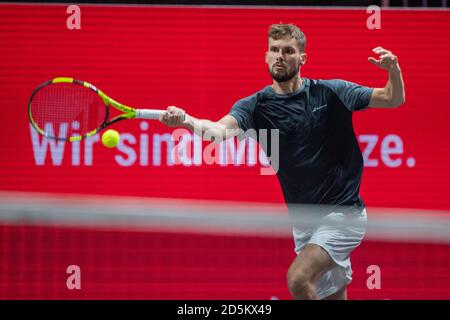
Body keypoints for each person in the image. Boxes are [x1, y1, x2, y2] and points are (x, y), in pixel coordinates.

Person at [159, 23, 405, 300]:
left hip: (343, 214)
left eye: (288, 51)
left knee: (298, 280)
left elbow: (392, 99)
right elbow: (217, 132)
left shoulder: (331, 92)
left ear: (302, 58)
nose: (279, 56)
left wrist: (393, 71)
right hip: (303, 221)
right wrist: (186, 121)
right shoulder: (255, 106)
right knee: (330, 295)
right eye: (274, 50)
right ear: (265, 56)